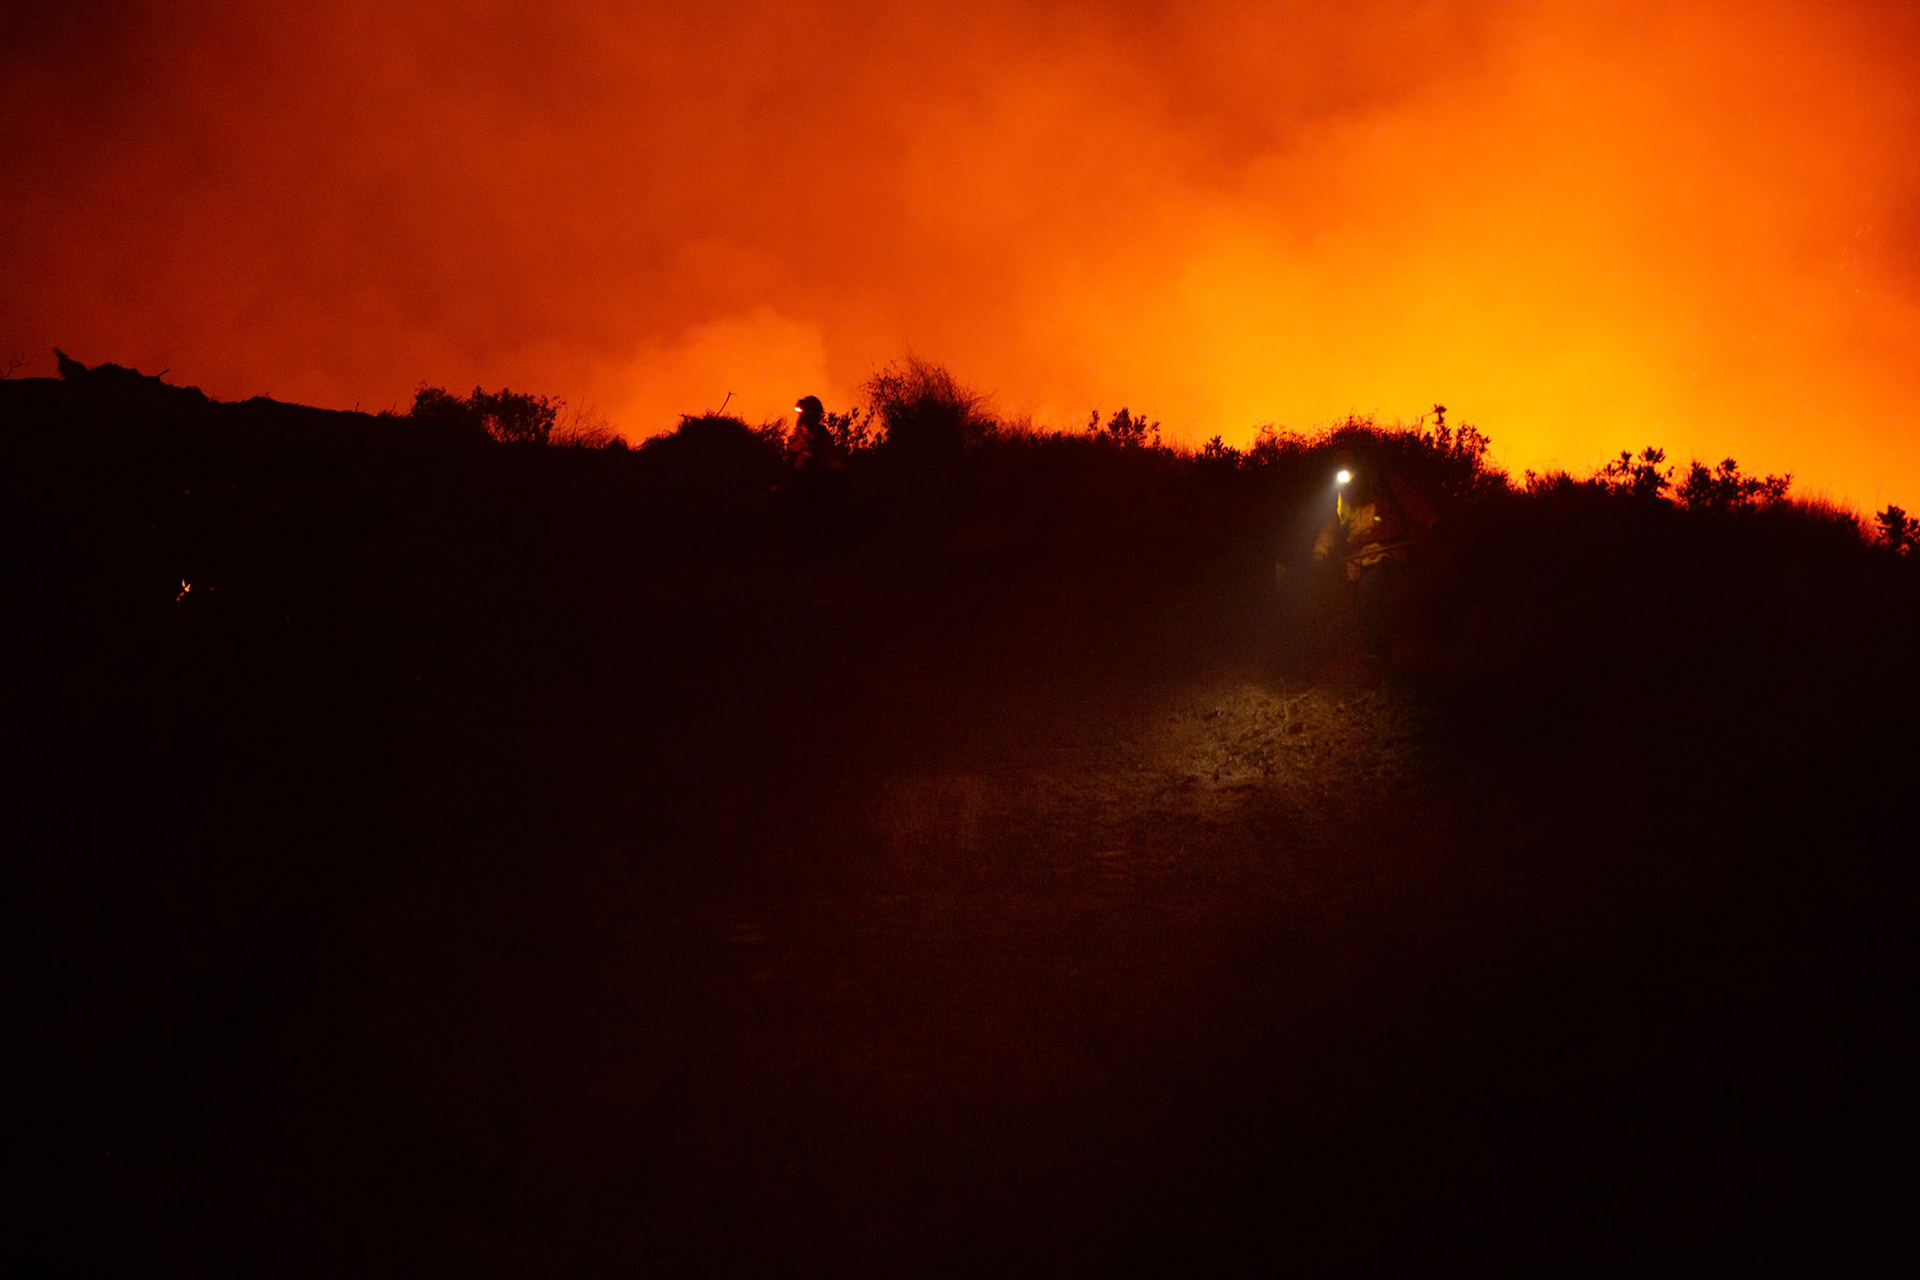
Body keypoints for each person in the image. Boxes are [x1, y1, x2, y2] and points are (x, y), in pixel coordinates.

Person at [1313, 449, 1438, 658]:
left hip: (1389, 553)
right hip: (1358, 560)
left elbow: (1411, 500)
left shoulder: (1383, 485)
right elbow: (1331, 527)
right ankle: (1365, 654)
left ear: (1359, 466)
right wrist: (1319, 553)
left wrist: (1433, 521)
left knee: (1369, 592)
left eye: (1348, 468)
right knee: (1355, 604)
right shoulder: (1342, 495)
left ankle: (1376, 652)